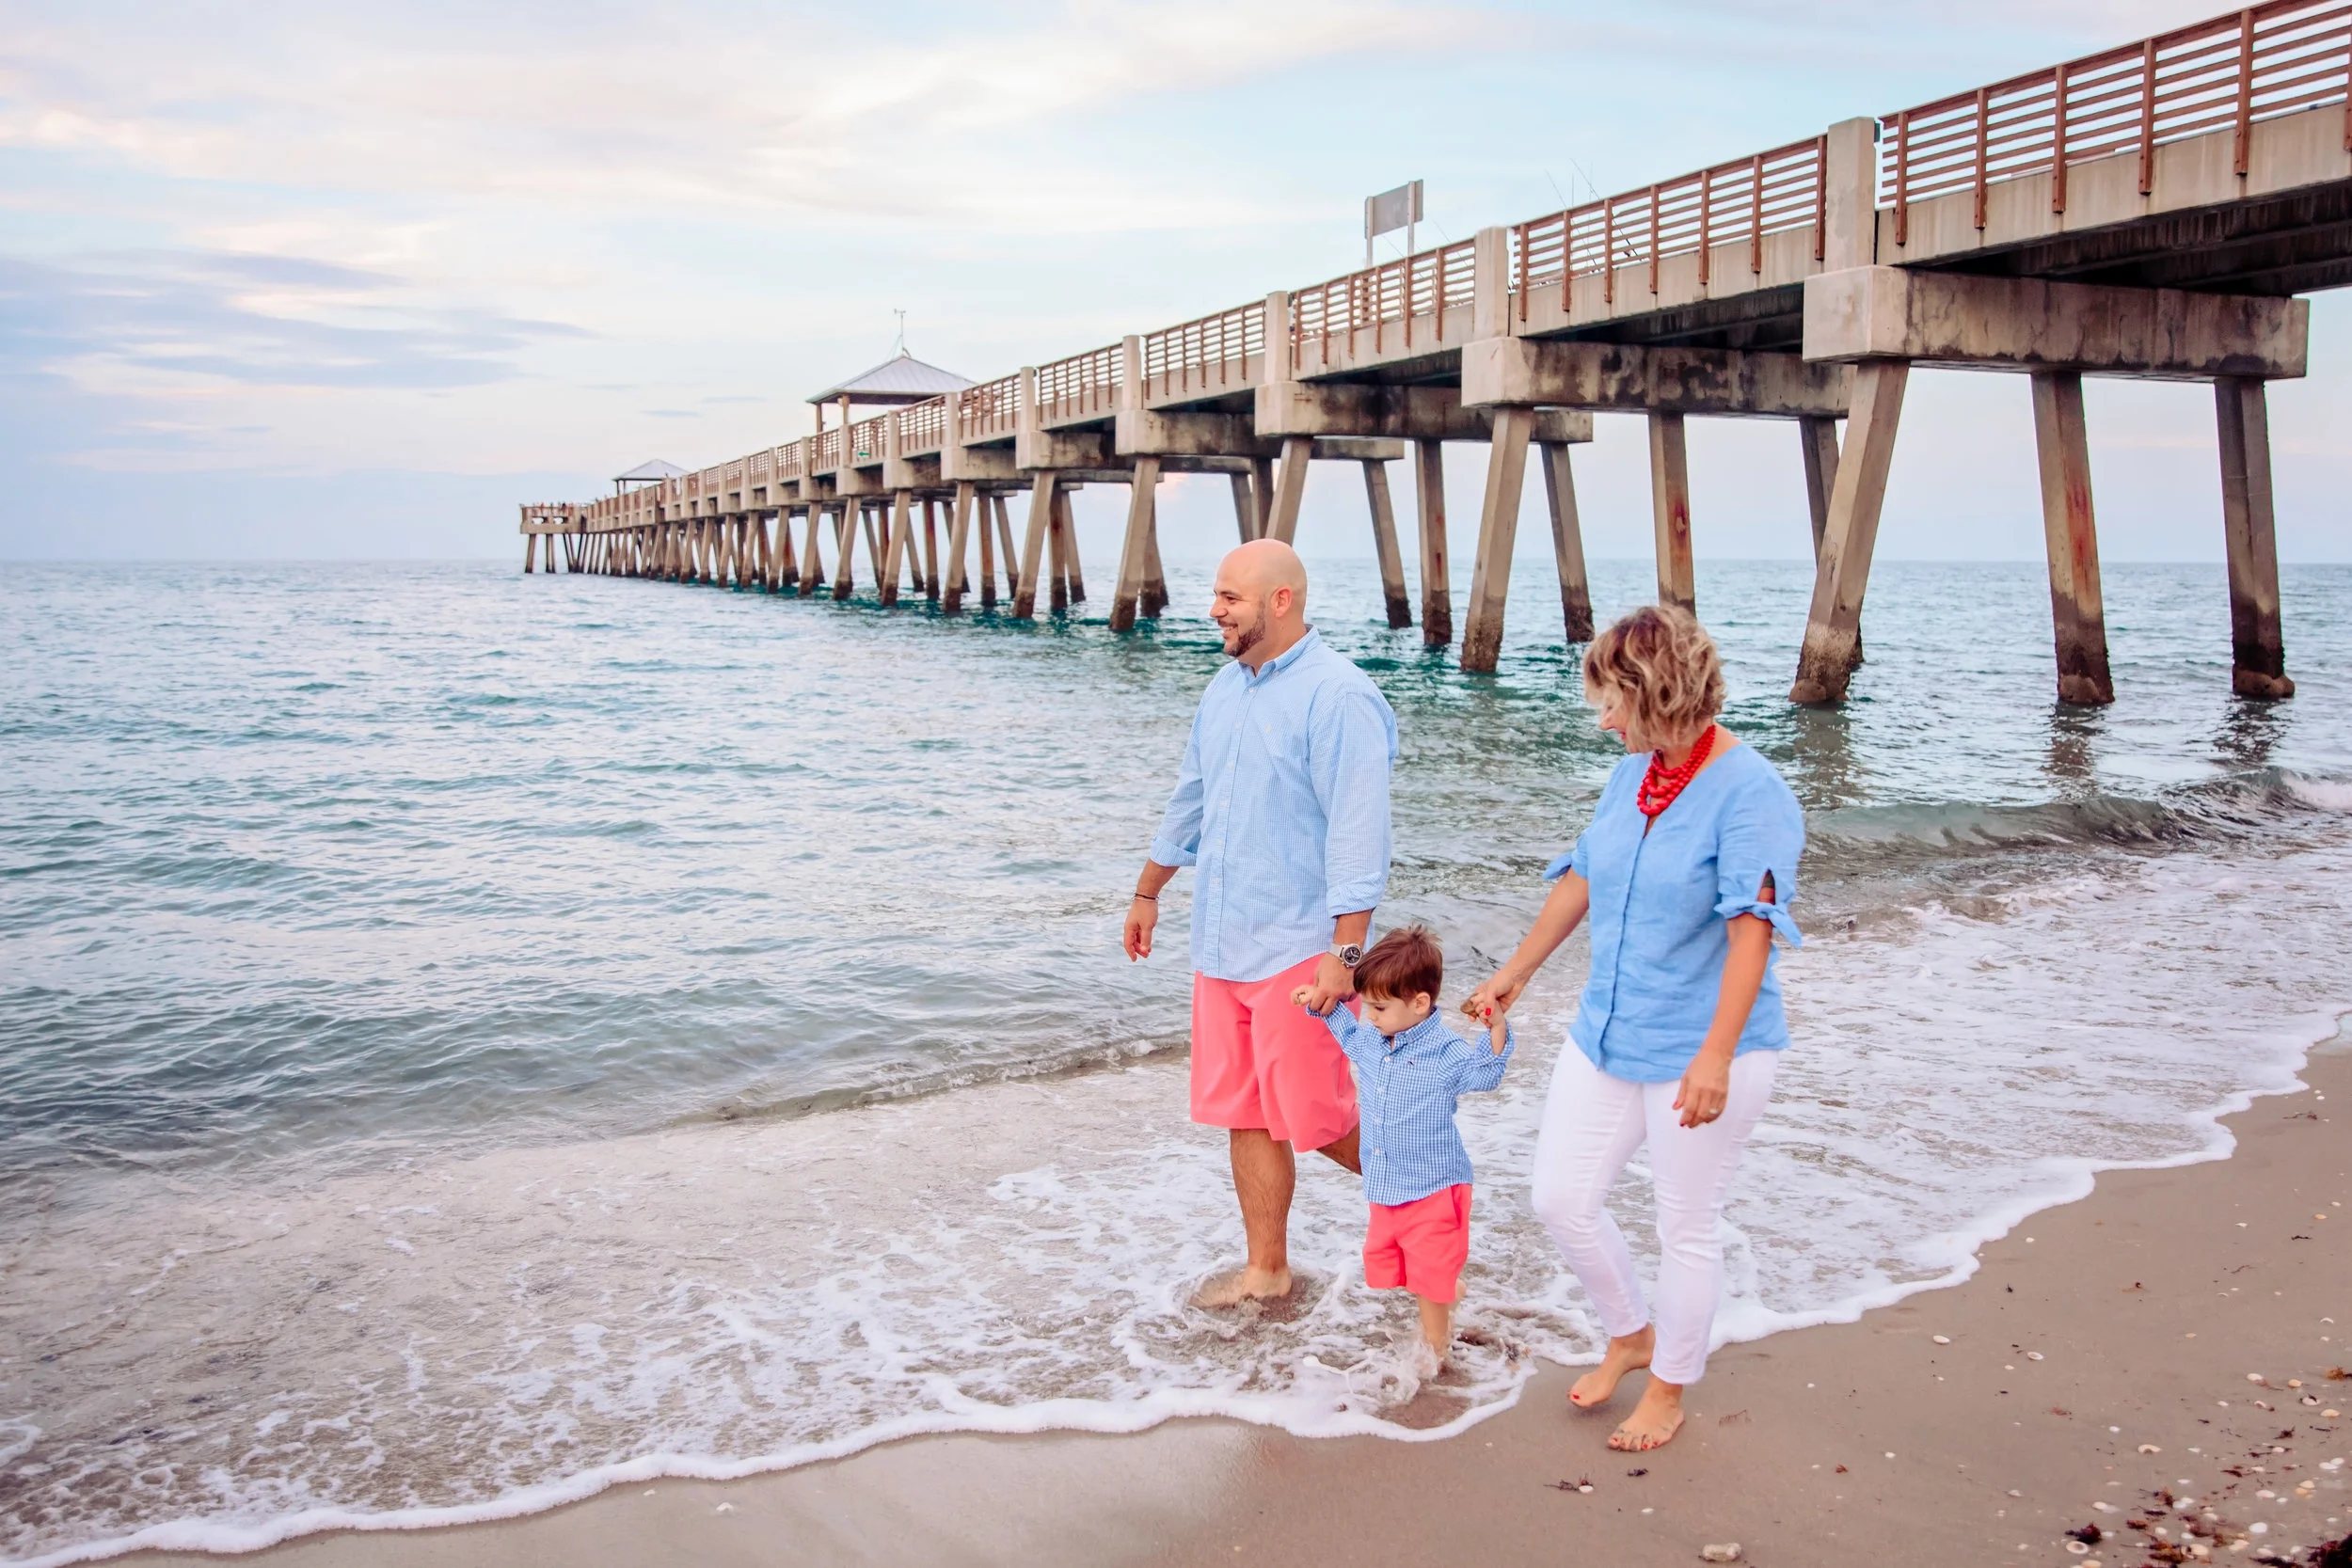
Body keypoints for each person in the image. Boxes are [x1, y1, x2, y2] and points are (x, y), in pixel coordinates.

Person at [1463, 605, 1804, 1453]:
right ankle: (1630, 1330)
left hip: (1702, 1046)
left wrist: (1717, 1054)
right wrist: (1513, 974)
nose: (1602, 717)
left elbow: (1750, 930)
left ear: (1657, 693)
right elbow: (1583, 876)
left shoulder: (1751, 790)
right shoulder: (1633, 775)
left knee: (1685, 1225)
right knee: (1560, 1197)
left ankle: (1668, 1385)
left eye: (1612, 700)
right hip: (1605, 1032)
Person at [1124, 538, 1398, 1308]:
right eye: (1216, 594)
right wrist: (1149, 890)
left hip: (1298, 950)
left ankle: (1435, 1210)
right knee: (1246, 1114)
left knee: (1319, 1118)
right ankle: (1267, 1270)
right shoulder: (1224, 687)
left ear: (1280, 601)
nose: (1214, 609)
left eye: (1230, 597)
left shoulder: (1337, 696)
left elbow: (1357, 837)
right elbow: (1192, 797)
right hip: (1223, 944)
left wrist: (1344, 954)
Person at [1291, 926, 1513, 1371]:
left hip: (1434, 1183)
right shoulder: (1372, 1036)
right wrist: (1318, 1005)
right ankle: (1446, 1290)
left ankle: (1435, 1355)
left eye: (1378, 1006)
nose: (1368, 1016)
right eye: (1367, 1005)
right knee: (1410, 1270)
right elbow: (1350, 1039)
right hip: (1387, 1182)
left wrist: (1498, 1025)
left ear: (1419, 1003)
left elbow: (1485, 1074)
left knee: (1429, 1275)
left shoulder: (1446, 1052)